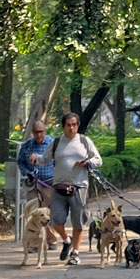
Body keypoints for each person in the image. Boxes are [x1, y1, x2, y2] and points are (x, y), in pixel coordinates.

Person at [49, 112, 102, 262]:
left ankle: (75, 253)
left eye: (74, 125)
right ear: (63, 126)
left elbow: (98, 159)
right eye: (68, 125)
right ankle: (67, 240)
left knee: (78, 221)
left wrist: (88, 163)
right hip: (58, 187)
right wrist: (35, 158)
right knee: (55, 220)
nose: (71, 128)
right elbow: (44, 159)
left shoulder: (84, 141)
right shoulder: (57, 142)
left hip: (79, 187)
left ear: (78, 126)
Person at [17, 119, 61, 247]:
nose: (38, 135)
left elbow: (59, 162)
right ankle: (34, 243)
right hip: (33, 184)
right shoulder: (27, 145)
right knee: (34, 213)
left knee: (47, 214)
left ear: (45, 131)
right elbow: (20, 162)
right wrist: (27, 173)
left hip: (49, 184)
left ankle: (51, 240)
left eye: (41, 132)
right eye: (36, 132)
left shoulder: (52, 143)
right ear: (32, 132)